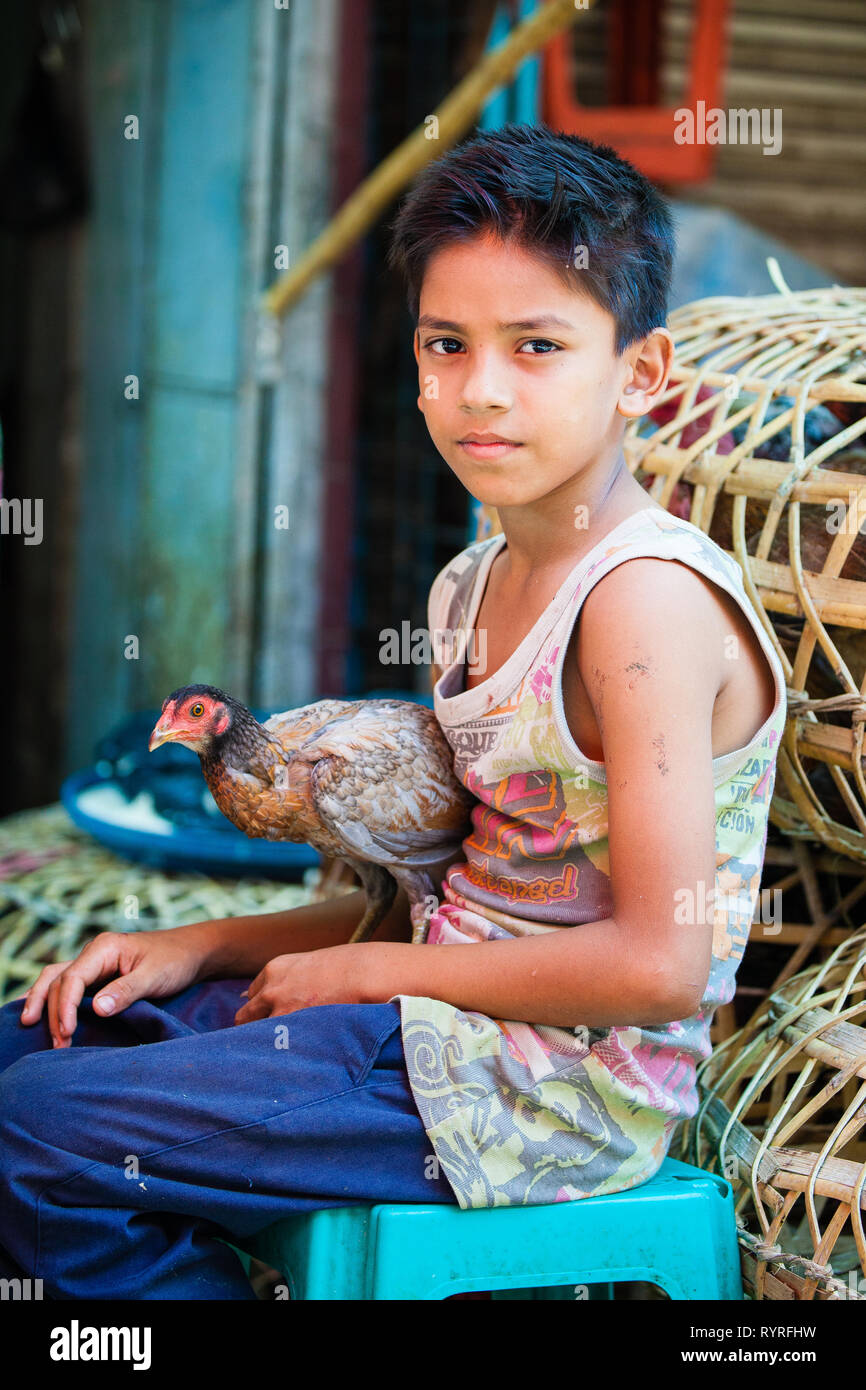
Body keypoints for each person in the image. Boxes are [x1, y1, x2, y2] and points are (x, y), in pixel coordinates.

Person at [0, 122, 786, 1299]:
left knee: (29, 1134)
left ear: (641, 374)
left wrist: (375, 977)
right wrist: (196, 947)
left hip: (540, 1094)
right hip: (421, 1022)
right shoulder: (468, 583)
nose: (478, 388)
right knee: (28, 1045)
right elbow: (438, 895)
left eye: (535, 346)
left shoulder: (641, 605)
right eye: (445, 343)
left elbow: (665, 964)